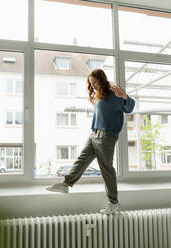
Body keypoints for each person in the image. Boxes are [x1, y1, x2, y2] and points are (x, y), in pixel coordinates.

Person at [46, 69, 135, 214]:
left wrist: (124, 96)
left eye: (95, 82)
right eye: (91, 83)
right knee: (82, 159)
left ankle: (113, 202)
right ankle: (65, 184)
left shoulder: (114, 92)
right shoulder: (99, 95)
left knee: (106, 168)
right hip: (94, 133)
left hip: (107, 136)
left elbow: (130, 107)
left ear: (102, 80)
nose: (92, 85)